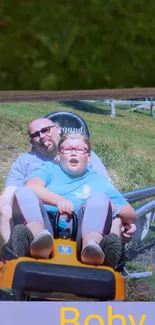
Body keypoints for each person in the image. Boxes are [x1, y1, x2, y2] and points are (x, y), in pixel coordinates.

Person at [9, 133, 136, 266]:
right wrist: (58, 201)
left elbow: (130, 214)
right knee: (23, 192)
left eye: (80, 150)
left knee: (100, 199)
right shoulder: (49, 169)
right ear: (59, 155)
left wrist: (113, 206)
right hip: (48, 225)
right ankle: (38, 242)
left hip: (81, 230)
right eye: (68, 149)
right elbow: (32, 186)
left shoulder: (99, 180)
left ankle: (92, 249)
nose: (73, 154)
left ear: (88, 157)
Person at [0, 117, 111, 251]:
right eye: (35, 134)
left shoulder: (86, 155)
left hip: (80, 216)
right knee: (11, 202)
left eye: (45, 130)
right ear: (31, 141)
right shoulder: (25, 161)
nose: (41, 136)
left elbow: (108, 193)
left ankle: (93, 250)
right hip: (40, 214)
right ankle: (18, 252)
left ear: (58, 129)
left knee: (104, 206)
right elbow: (9, 193)